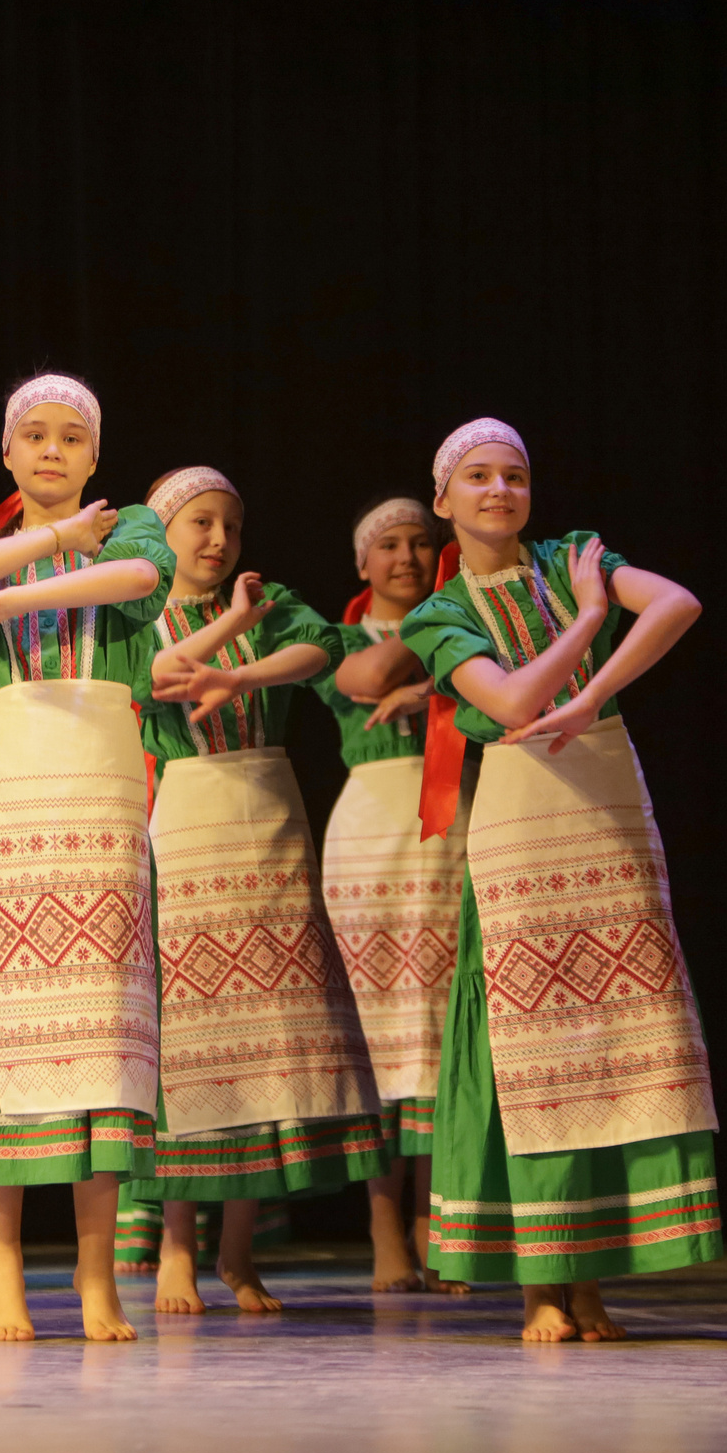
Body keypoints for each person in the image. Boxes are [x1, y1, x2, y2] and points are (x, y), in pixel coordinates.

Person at [342, 418, 720, 1343]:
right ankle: (540, 1285)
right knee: (529, 1038)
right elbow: (511, 701)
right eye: (478, 476)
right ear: (444, 499)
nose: (500, 490)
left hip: (606, 793)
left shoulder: (570, 554)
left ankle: (590, 1280)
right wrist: (588, 623)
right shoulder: (439, 614)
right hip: (519, 811)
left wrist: (590, 695)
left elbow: (677, 603)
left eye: (513, 475)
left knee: (610, 1030)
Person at [0, 373, 173, 1341]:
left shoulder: (133, 528)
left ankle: (96, 1275)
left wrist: (11, 591)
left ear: (95, 456)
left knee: (98, 1025)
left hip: (98, 781)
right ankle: (3, 1273)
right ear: (7, 454)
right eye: (34, 434)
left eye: (70, 436)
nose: (52, 449)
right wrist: (51, 541)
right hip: (11, 784)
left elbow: (135, 579)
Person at [129, 465, 382, 1314]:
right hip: (189, 816)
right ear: (162, 533)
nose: (219, 539)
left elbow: (323, 649)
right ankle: (176, 1244)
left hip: (270, 815)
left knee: (267, 1037)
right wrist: (231, 626)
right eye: (200, 522)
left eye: (231, 525)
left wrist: (242, 672)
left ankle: (237, 1251)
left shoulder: (268, 601)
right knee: (193, 1038)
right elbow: (156, 679)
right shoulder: (141, 616)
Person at [312, 496, 472, 1294]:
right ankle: (383, 1225)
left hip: (451, 827)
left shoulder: (465, 630)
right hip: (372, 827)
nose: (407, 557)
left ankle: (435, 1219)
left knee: (442, 1025)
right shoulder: (339, 639)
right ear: (362, 562)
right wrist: (444, 623)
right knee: (378, 1029)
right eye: (390, 545)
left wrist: (438, 681)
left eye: (421, 543)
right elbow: (368, 678)